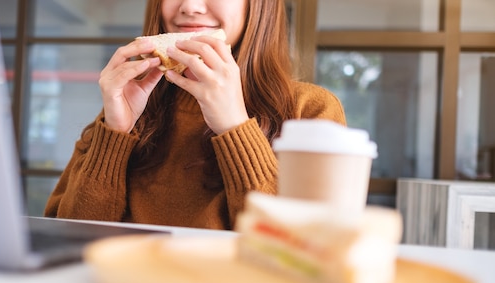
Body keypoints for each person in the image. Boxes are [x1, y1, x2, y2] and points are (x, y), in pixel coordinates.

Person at [44, 0, 346, 230]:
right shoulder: (133, 105)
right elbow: (69, 234)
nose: (189, 7)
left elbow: (303, 252)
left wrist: (235, 126)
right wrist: (114, 134)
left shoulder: (310, 110)